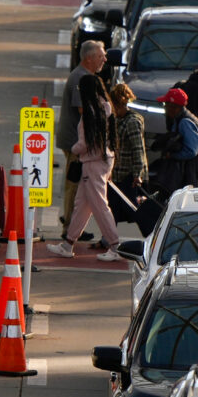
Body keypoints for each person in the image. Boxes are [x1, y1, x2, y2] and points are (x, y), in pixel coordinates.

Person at [47, 74, 122, 261]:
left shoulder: (91, 111)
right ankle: (68, 243)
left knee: (99, 205)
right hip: (103, 159)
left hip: (92, 163)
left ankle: (115, 245)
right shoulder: (105, 106)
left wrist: (74, 149)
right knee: (82, 205)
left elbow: (85, 142)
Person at [58, 40, 106, 232]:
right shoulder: (81, 79)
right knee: (73, 184)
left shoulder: (84, 76)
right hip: (73, 142)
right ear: (89, 58)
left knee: (79, 186)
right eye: (101, 55)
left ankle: (73, 225)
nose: (104, 59)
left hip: (76, 141)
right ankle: (69, 226)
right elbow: (83, 110)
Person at [153, 88, 198, 195]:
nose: (165, 108)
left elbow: (192, 151)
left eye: (166, 104)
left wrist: (172, 155)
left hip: (189, 173)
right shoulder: (180, 119)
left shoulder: (185, 122)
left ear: (174, 107)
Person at [110, 83, 148, 216]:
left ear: (118, 104)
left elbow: (138, 149)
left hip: (128, 176)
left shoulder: (132, 122)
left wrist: (138, 174)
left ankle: (150, 232)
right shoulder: (117, 119)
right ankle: (108, 236)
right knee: (113, 208)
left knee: (133, 211)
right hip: (116, 174)